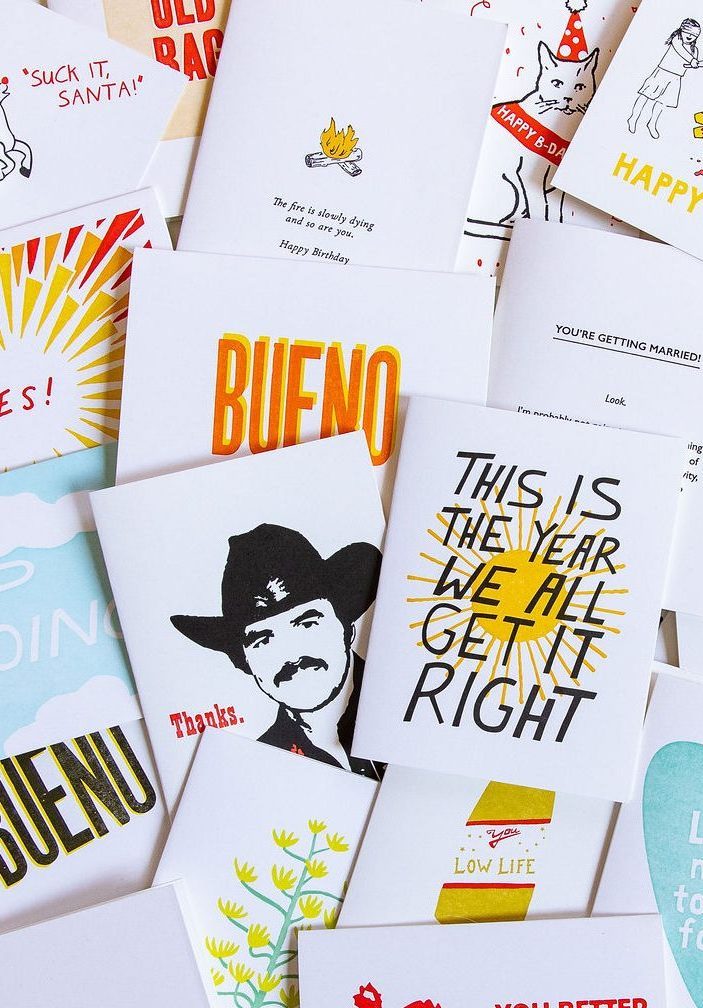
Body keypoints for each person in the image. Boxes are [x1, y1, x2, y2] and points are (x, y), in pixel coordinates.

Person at [171, 523, 381, 778]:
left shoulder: (408, 696)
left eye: (307, 623)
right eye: (262, 641)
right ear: (244, 662)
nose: (291, 655)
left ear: (347, 630)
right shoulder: (262, 767)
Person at [628, 18, 702, 139]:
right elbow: (680, 51)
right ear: (681, 30)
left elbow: (691, 63)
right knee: (646, 96)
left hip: (676, 78)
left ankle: (652, 123)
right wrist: (692, 60)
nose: (690, 36)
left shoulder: (695, 50)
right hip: (663, 73)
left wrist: (694, 64)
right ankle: (633, 118)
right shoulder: (677, 39)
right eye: (688, 32)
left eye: (694, 35)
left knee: (662, 103)